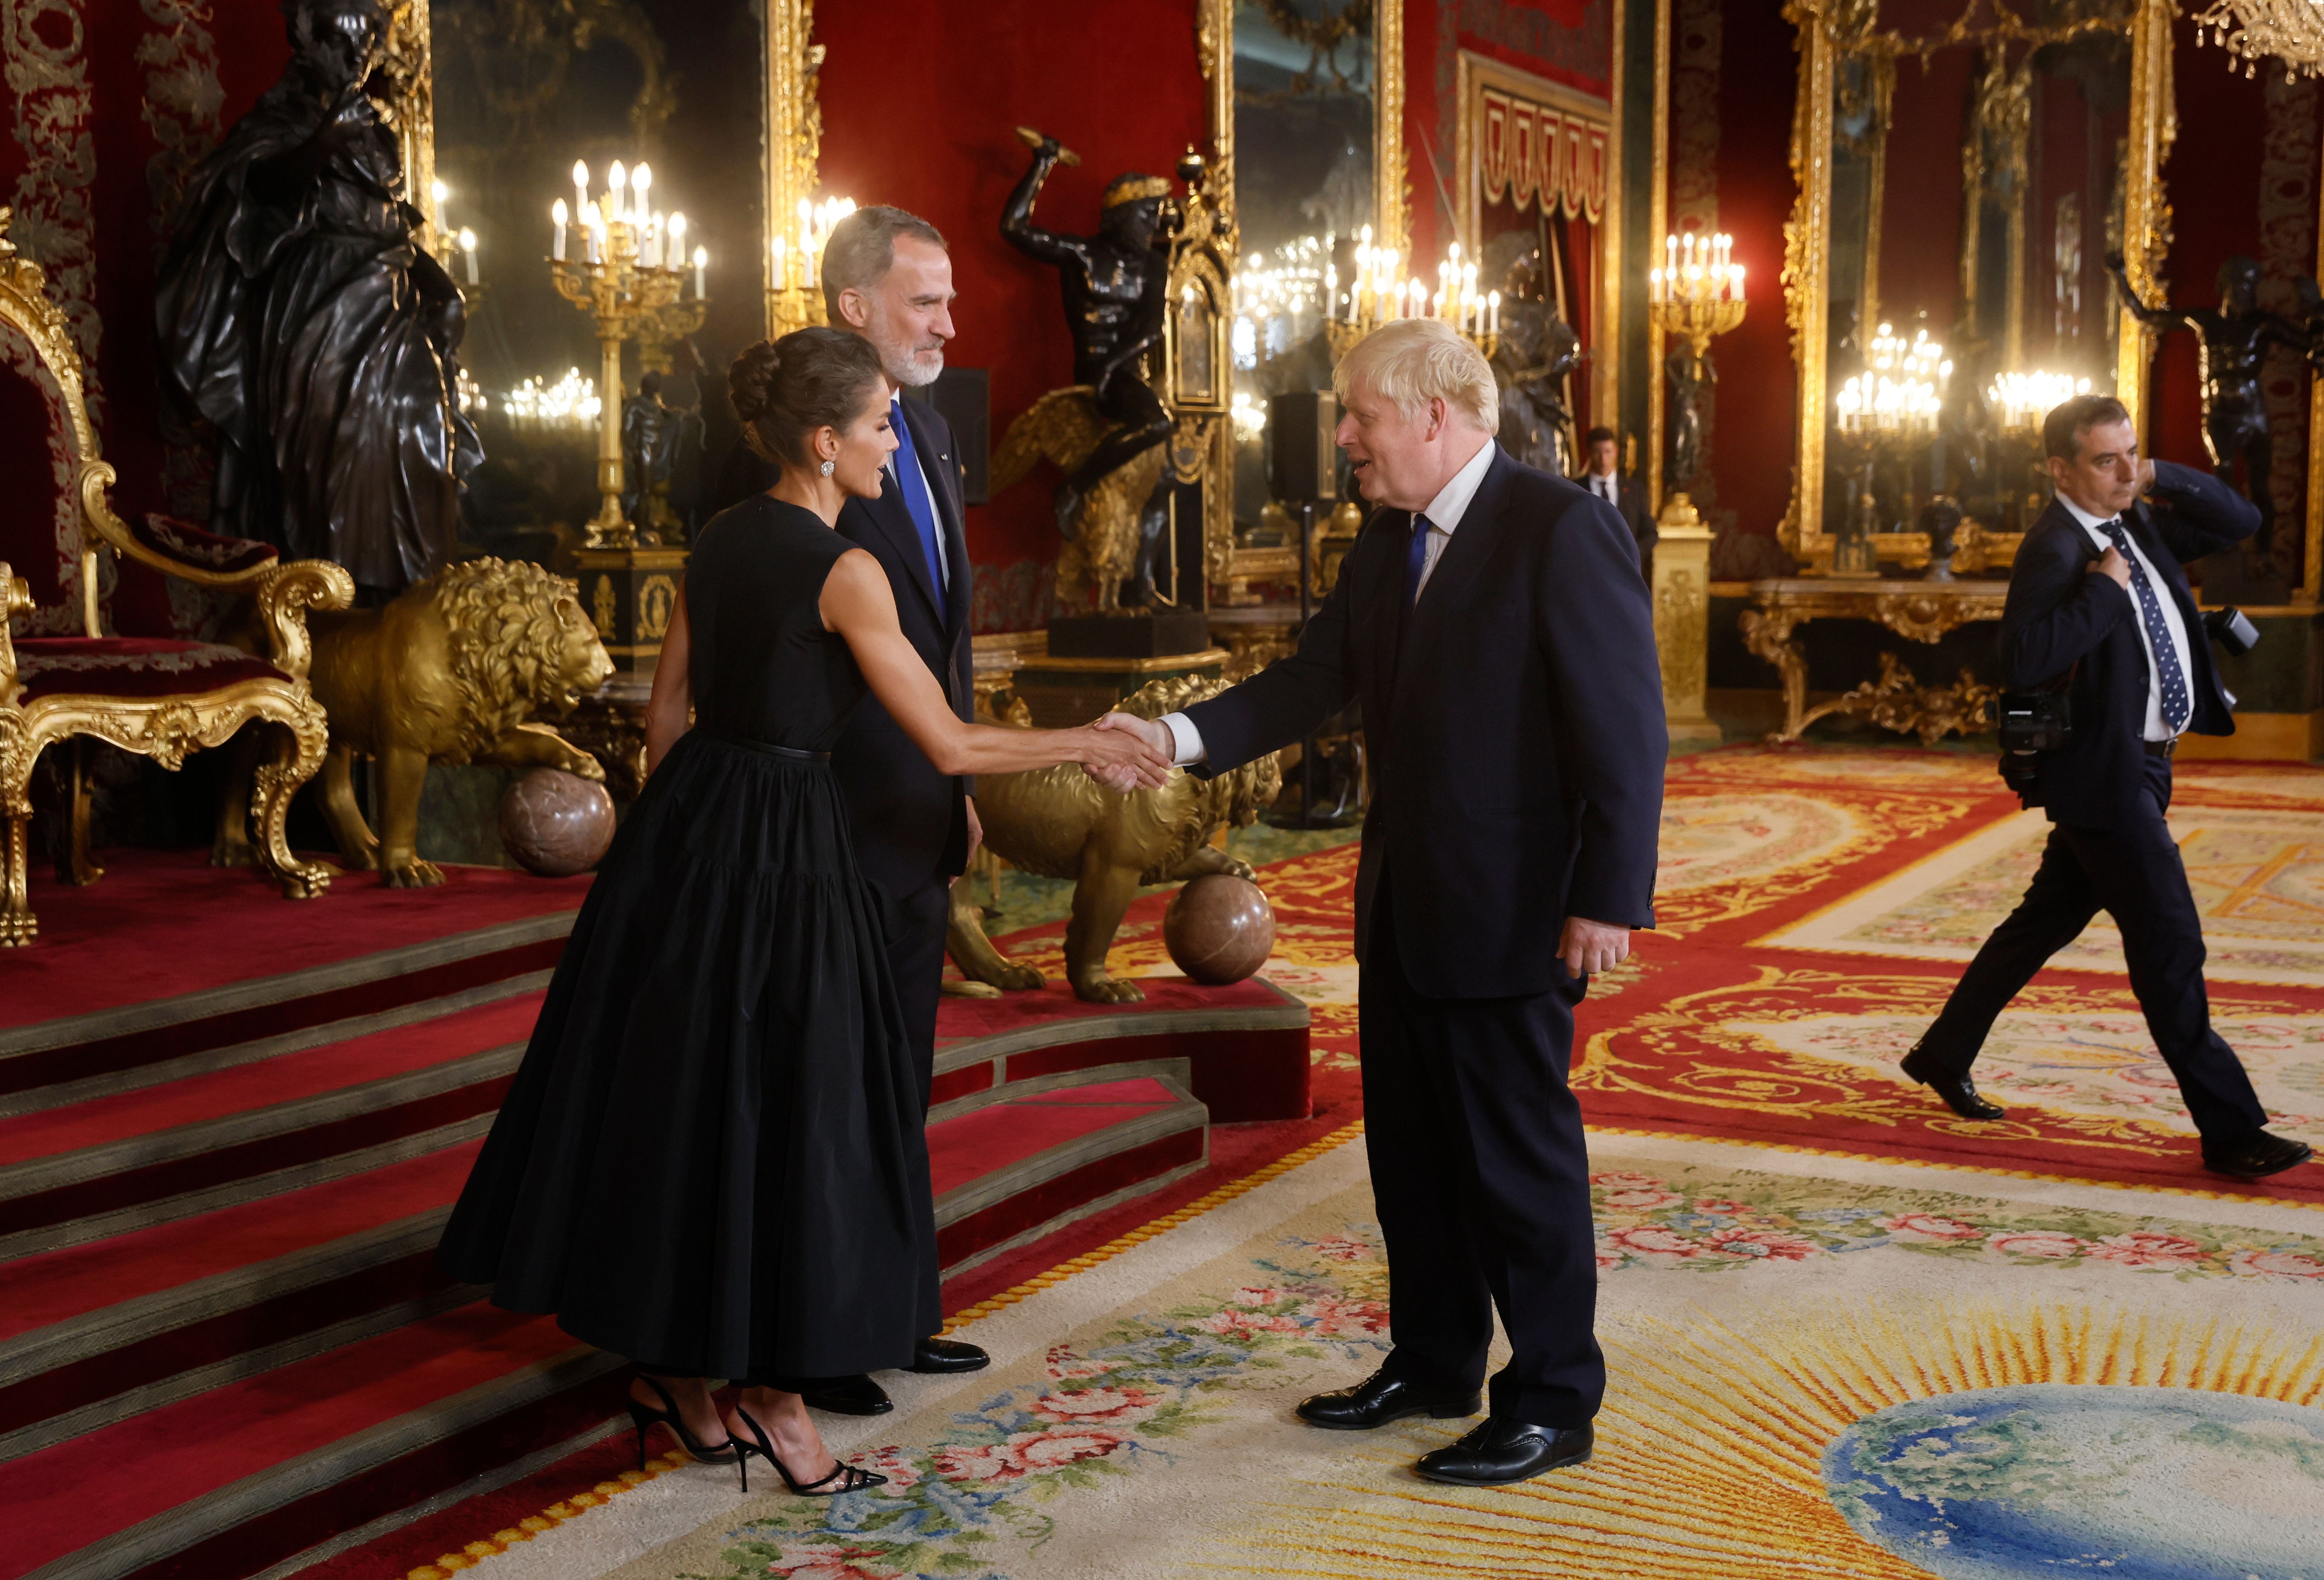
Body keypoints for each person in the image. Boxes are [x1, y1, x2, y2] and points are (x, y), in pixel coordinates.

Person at [436, 329, 1171, 1495]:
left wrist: (679, 846)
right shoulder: (847, 570)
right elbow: (947, 743)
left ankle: (679, 1381)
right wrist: (1089, 741)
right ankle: (778, 1401)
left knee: (691, 1106)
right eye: (880, 426)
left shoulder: (722, 535)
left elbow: (666, 716)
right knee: (803, 1112)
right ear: (825, 443)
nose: (895, 445)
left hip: (686, 837)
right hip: (786, 846)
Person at [1095, 317, 1666, 1487]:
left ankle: (1553, 1398)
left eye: (1359, 415)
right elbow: (1313, 680)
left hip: (1513, 910)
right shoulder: (1385, 535)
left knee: (1518, 1167)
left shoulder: (1559, 526)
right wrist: (1173, 736)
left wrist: (1606, 895)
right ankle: (1436, 1361)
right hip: (1403, 906)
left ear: (1432, 414)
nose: (1344, 437)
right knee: (1413, 1156)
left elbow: (1625, 727)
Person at [1901, 393, 2312, 1183]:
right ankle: (2230, 1129)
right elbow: (2023, 658)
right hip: (2102, 774)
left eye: (2131, 454)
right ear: (2060, 470)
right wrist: (2103, 591)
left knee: (2044, 919)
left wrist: (2157, 473)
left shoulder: (2134, 519)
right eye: (2105, 460)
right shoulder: (2054, 547)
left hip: (2144, 764)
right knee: (2170, 943)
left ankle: (1943, 1052)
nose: (2125, 472)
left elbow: (2240, 520)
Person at [798, 205, 992, 1417]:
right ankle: (822, 1336)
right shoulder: (797, 441)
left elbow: (948, 638)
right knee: (831, 1087)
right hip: (825, 826)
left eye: (947, 299)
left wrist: (956, 790)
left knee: (899, 1077)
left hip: (917, 817)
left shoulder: (930, 427)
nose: (948, 325)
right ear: (855, 306)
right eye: (925, 301)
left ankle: (900, 1311)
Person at [1575, 425, 1653, 569]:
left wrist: (1632, 554)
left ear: (1616, 452)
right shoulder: (1576, 489)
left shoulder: (1634, 490)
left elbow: (1650, 533)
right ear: (1589, 453)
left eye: (1608, 452)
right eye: (1598, 452)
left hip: (1626, 568)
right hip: (1586, 566)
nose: (1603, 459)